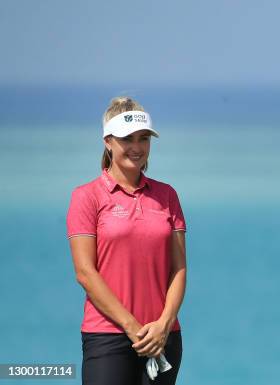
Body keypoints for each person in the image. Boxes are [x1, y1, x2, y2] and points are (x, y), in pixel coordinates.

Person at [67, 97, 187, 385]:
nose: (137, 147)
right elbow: (85, 273)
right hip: (107, 338)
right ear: (108, 141)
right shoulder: (86, 197)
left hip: (163, 338)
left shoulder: (167, 195)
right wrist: (133, 328)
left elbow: (179, 269)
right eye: (127, 138)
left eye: (144, 138)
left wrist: (163, 325)